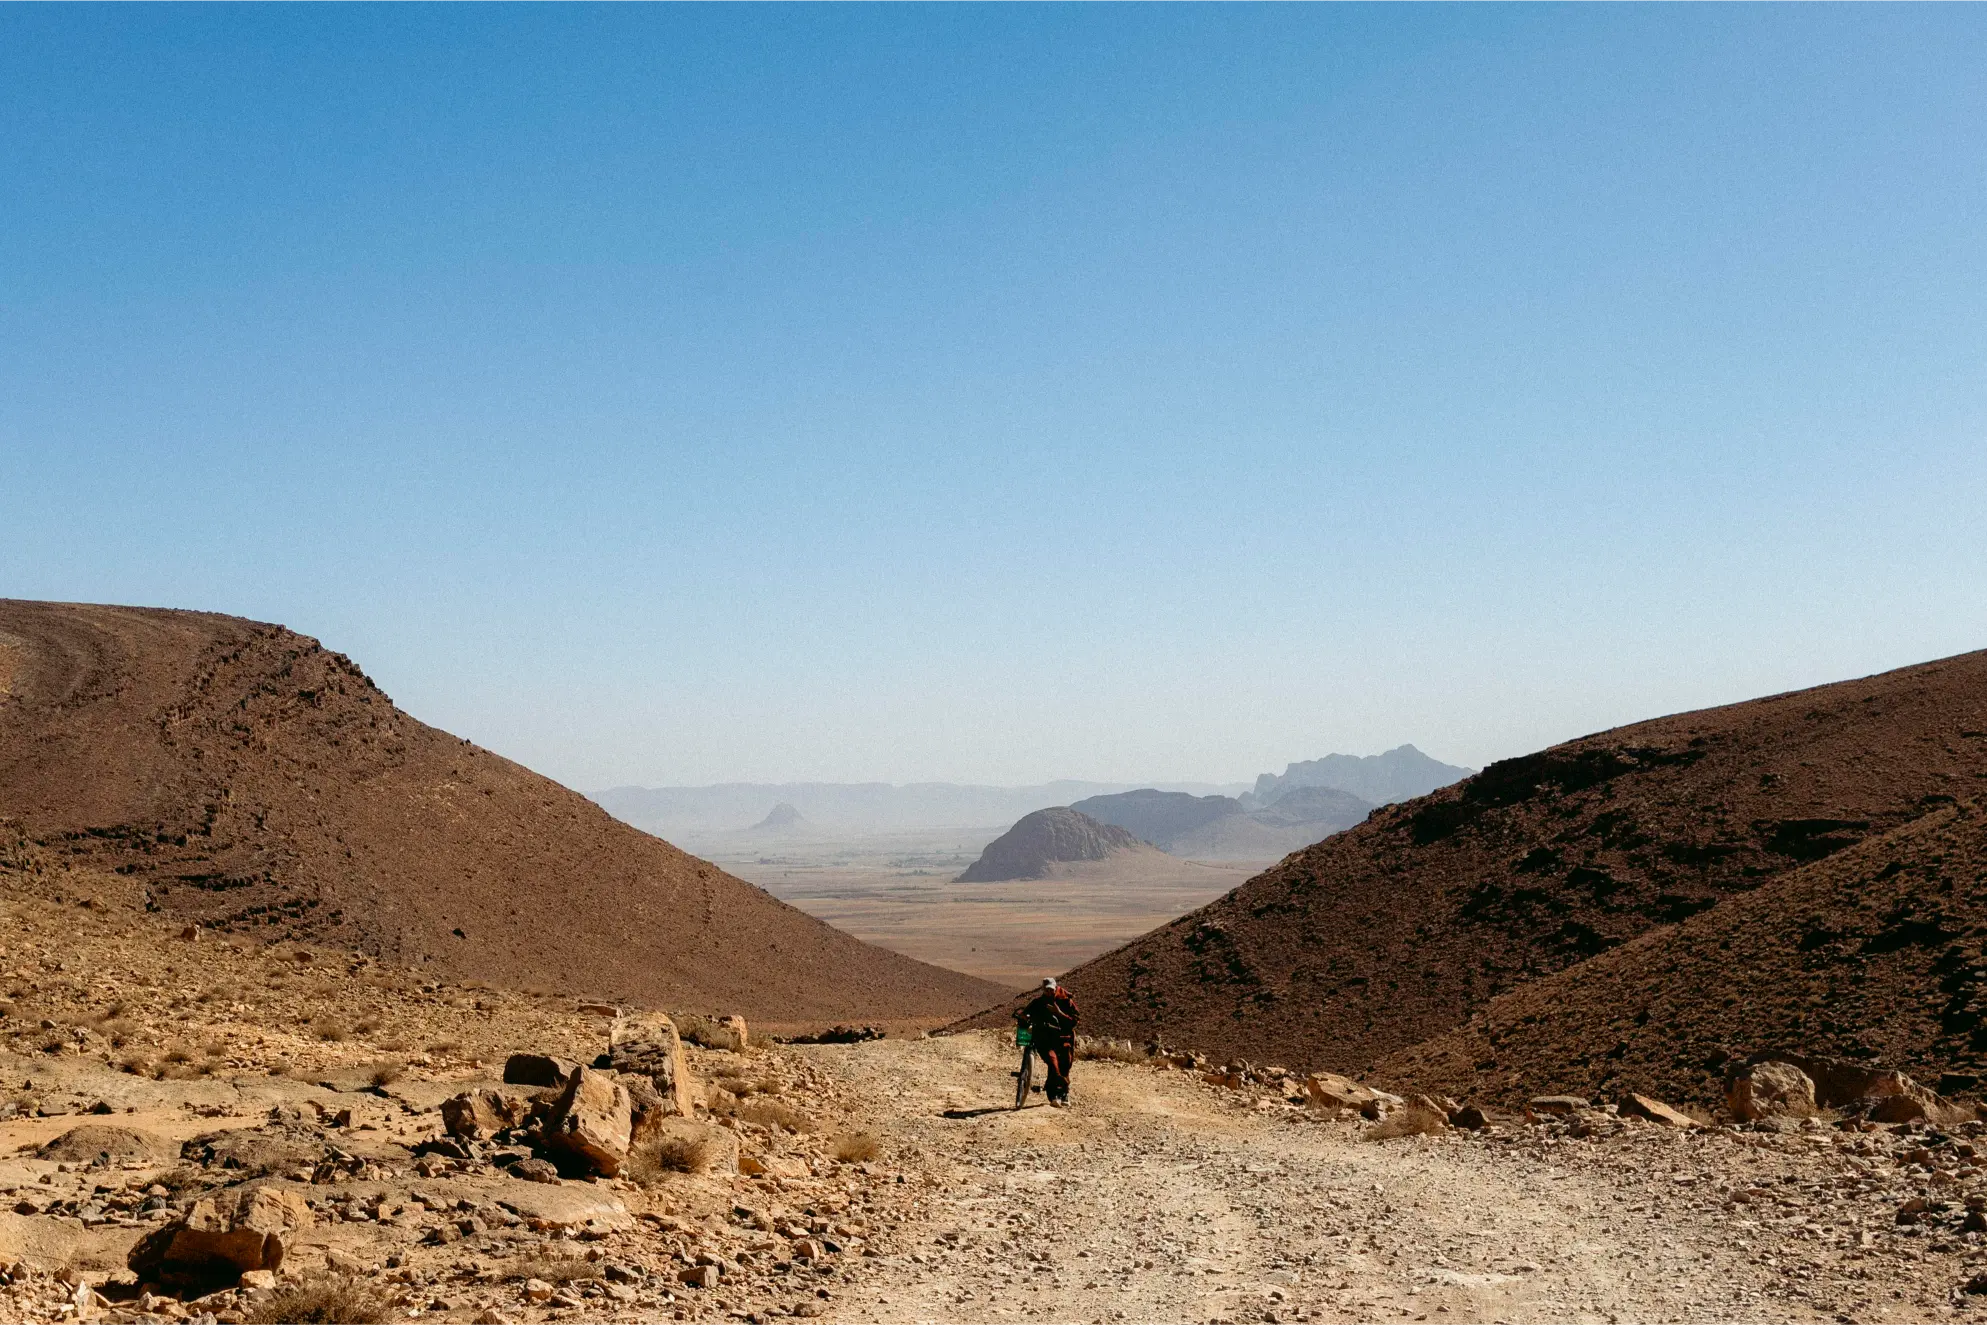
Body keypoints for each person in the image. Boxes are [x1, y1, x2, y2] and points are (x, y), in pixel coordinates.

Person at [1014, 977, 1079, 1107]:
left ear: (1055, 988)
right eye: (1046, 990)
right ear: (1043, 990)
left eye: (1051, 989)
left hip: (1064, 1038)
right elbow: (1027, 1013)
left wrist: (1059, 1013)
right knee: (1053, 1062)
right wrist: (1024, 1016)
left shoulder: (1066, 1001)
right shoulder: (1038, 1002)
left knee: (1065, 1065)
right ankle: (1053, 1095)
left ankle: (1064, 1093)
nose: (1049, 992)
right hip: (1045, 1039)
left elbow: (1074, 1021)